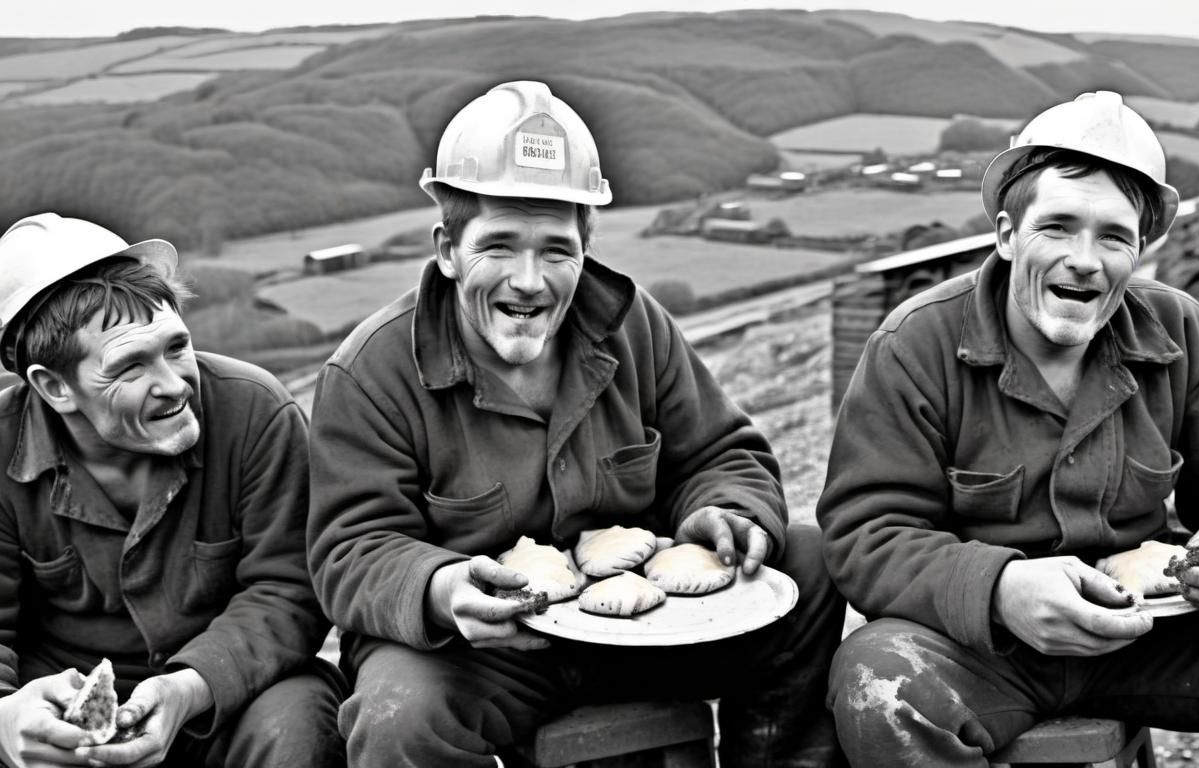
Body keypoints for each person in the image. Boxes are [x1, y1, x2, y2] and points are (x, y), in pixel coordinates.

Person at [306, 80, 846, 767]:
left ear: (584, 249)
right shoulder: (372, 372)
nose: (530, 280)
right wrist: (443, 590)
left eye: (556, 250)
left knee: (807, 564)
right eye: (499, 246)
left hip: (648, 628)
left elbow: (720, 452)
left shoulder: (632, 326)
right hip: (481, 654)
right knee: (397, 716)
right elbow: (351, 548)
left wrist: (728, 512)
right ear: (447, 249)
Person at [818, 91, 1199, 766]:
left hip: (1149, 634)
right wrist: (1001, 591)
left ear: (1140, 252)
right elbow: (865, 532)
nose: (1085, 260)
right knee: (878, 686)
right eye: (1058, 227)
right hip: (979, 650)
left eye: (1114, 237)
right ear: (1008, 235)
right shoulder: (913, 345)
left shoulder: (1180, 332)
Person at [0, 213, 346, 767]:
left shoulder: (254, 412)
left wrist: (190, 686)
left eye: (176, 346)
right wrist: (7, 719)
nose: (174, 384)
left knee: (298, 724)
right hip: (63, 712)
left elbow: (289, 591)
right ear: (53, 386)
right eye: (130, 367)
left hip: (233, 693)